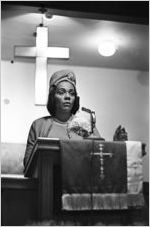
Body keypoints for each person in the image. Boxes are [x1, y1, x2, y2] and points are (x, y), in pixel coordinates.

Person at [23, 69, 102, 167]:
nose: (67, 96)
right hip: (47, 180)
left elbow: (100, 160)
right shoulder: (39, 125)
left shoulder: (86, 125)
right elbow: (28, 164)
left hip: (79, 180)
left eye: (72, 93)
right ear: (53, 97)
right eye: (61, 92)